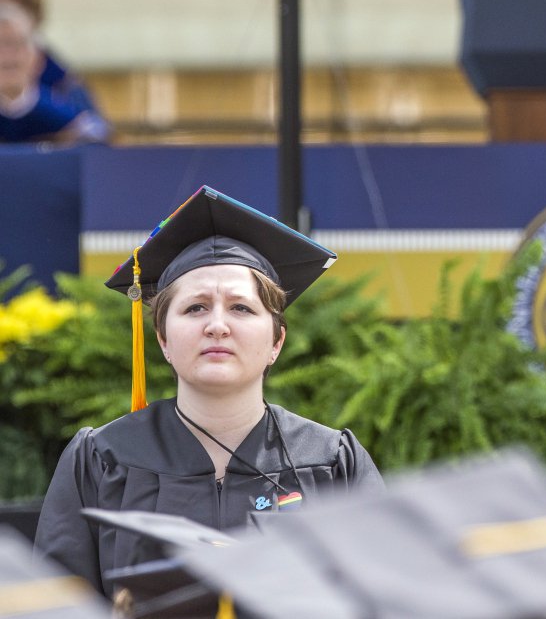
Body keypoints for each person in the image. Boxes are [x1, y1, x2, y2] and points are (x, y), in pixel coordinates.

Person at [34, 186, 384, 603]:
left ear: (277, 341)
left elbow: (388, 598)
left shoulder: (332, 462)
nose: (217, 325)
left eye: (241, 308)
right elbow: (50, 605)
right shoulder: (101, 459)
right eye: (195, 307)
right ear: (163, 339)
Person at [0, 0, 110, 135]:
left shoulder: (58, 77)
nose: (6, 16)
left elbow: (95, 133)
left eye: (14, 6)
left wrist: (26, 98)